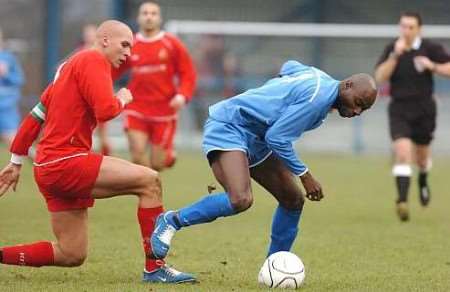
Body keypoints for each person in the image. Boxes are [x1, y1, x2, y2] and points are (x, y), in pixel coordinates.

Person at [0, 20, 195, 284]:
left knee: (71, 253)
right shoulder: (93, 60)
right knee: (150, 181)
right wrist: (123, 98)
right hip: (67, 161)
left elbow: (36, 115)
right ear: (105, 40)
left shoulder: (66, 68)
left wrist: (16, 160)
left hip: (48, 168)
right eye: (124, 45)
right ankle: (155, 268)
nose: (128, 53)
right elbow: (106, 110)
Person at [149, 60, 377, 265]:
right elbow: (277, 138)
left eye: (363, 109)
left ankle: (274, 265)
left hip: (257, 136)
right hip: (230, 125)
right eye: (358, 102)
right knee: (240, 199)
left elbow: (290, 66)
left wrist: (275, 92)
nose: (357, 111)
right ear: (347, 85)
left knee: (293, 200)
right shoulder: (317, 99)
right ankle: (172, 220)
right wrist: (306, 175)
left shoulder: (321, 79)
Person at [374, 11, 450, 221]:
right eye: (403, 26)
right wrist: (395, 56)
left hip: (425, 109)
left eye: (410, 27)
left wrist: (432, 66)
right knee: (403, 152)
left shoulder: (430, 48)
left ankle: (423, 179)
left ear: (419, 29)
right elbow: (380, 77)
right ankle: (402, 201)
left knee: (422, 159)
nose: (406, 31)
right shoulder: (392, 48)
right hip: (399, 109)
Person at [113, 1, 196, 171]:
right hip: (136, 106)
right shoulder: (131, 44)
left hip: (164, 109)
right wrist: (102, 86)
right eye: (145, 13)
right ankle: (148, 191)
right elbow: (113, 69)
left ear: (159, 18)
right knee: (137, 155)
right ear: (138, 18)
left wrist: (182, 95)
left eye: (153, 13)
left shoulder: (171, 44)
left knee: (158, 163)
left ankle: (168, 157)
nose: (149, 17)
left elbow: (188, 73)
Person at [0, 28, 25, 146]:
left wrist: (6, 74)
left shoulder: (9, 58)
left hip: (6, 108)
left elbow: (19, 80)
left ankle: (40, 161)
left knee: (15, 143)